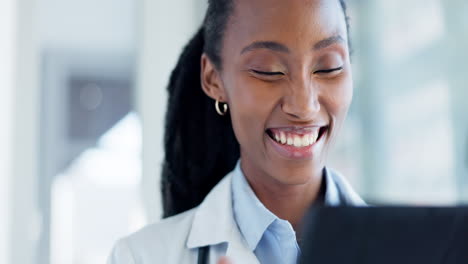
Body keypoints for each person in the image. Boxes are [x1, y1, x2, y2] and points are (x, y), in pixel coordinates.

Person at [107, 0, 365, 263]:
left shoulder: (405, 248)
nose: (303, 106)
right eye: (268, 71)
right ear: (213, 79)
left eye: (328, 67)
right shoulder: (140, 256)